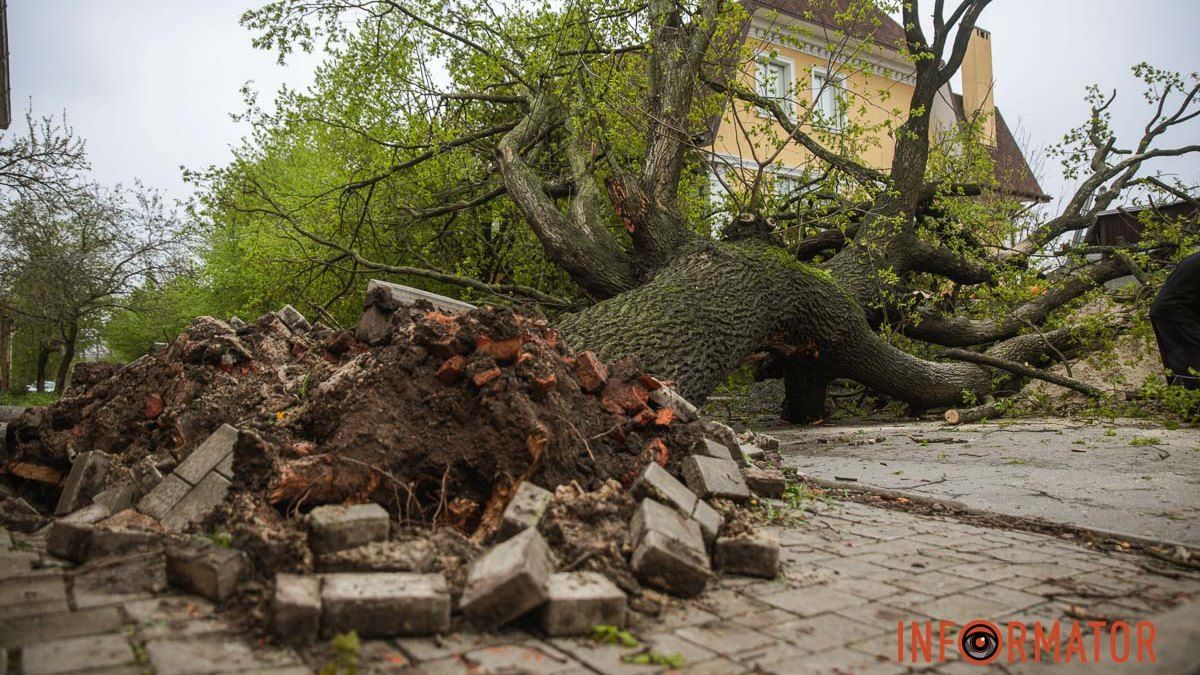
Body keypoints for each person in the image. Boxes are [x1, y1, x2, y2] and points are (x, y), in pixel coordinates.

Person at [1150, 250, 1200, 390]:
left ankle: (1182, 398)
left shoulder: (1194, 258)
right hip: (1177, 311)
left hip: (1167, 310)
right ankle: (1192, 399)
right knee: (1193, 360)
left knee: (1180, 362)